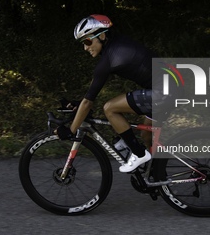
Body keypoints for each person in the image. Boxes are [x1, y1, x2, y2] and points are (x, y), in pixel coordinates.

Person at [55, 14, 179, 173]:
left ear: (102, 35)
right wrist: (81, 104)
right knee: (146, 135)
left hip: (164, 90)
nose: (85, 47)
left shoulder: (109, 59)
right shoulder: (118, 45)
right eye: (82, 43)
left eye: (87, 41)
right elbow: (90, 95)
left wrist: (71, 130)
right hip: (172, 84)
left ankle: (138, 154)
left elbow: (89, 101)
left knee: (110, 108)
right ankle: (156, 174)